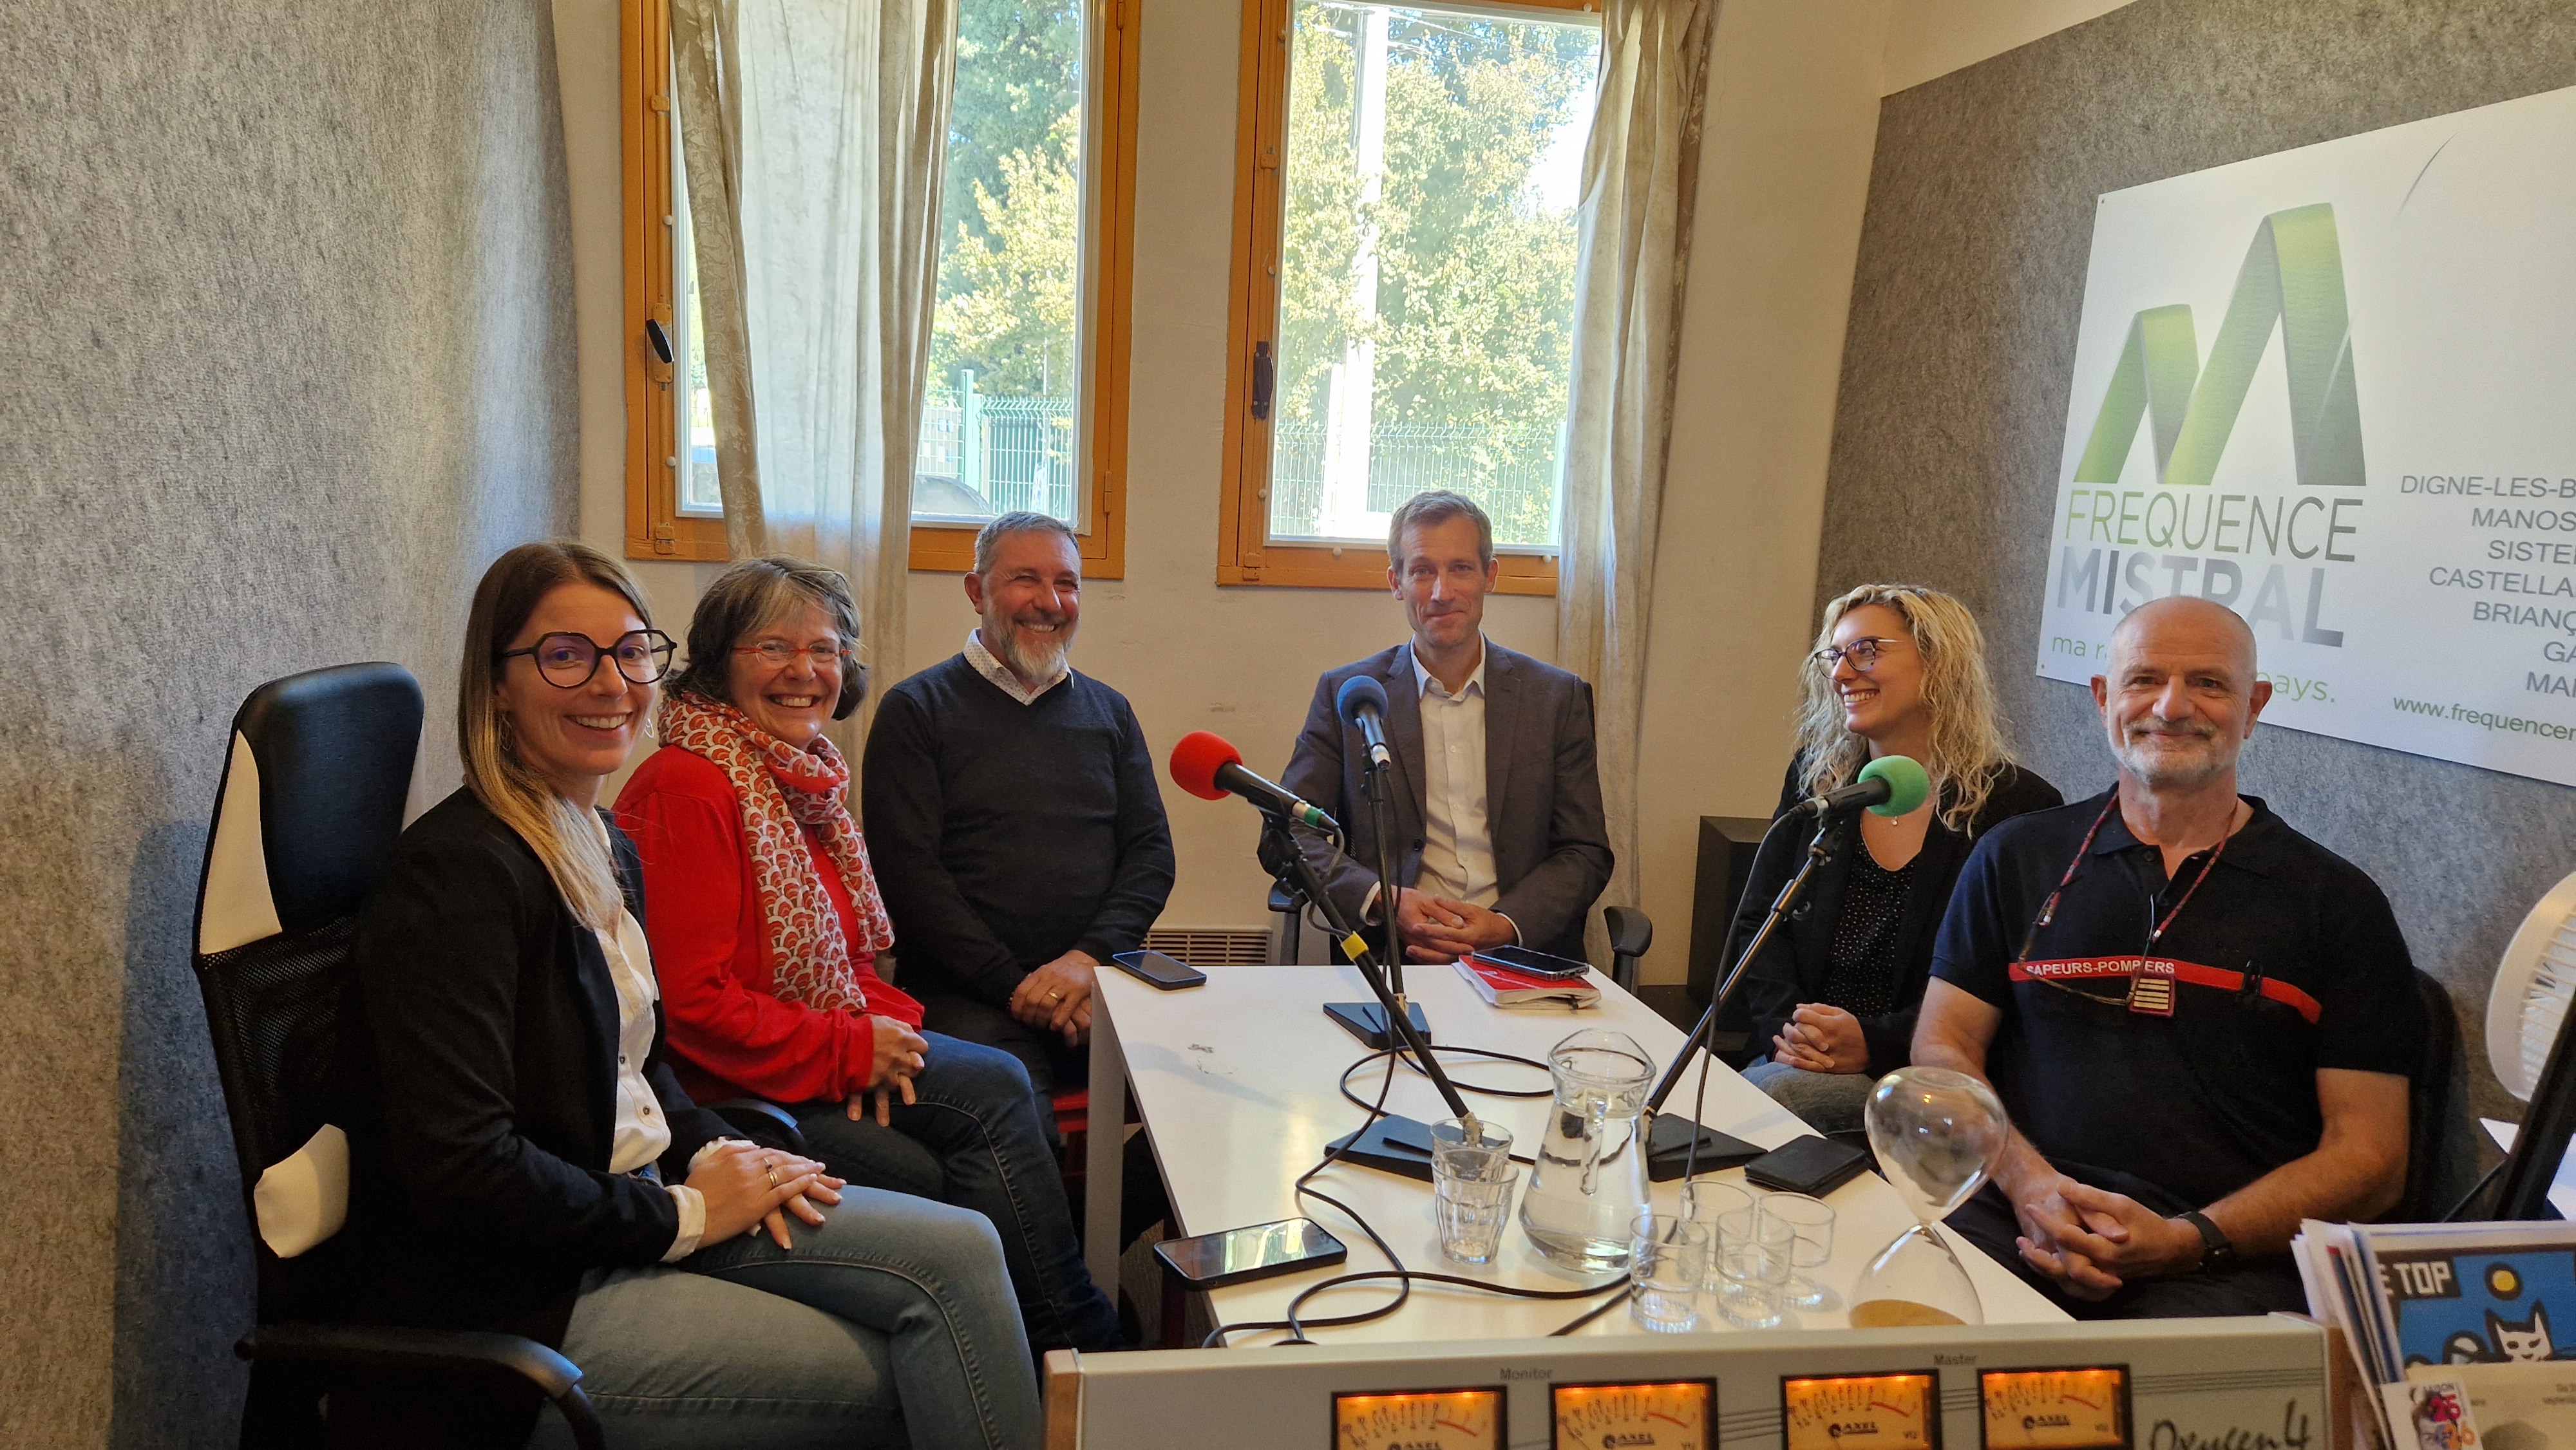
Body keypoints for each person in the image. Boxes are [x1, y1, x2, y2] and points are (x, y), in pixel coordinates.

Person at [331, 541, 1040, 1448]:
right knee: (910, 1357)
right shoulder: (460, 875)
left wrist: (728, 1150)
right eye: (564, 655)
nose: (609, 684)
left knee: (965, 1251)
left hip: (638, 1202)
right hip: (527, 1292)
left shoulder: (597, 838)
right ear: (497, 683)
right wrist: (687, 1213)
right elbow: (466, 1171)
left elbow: (640, 1070)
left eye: (630, 653)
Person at [616, 556, 1122, 1355]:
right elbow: (690, 1010)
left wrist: (888, 1039)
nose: (804, 671)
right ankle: (1076, 1342)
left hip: (814, 1046)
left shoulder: (797, 774)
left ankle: (1025, 1343)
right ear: (718, 660)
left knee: (995, 1088)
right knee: (989, 1093)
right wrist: (854, 1050)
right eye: (772, 647)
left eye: (824, 650)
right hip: (735, 1088)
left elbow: (849, 958)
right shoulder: (688, 785)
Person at [1914, 595, 2421, 1319]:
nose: (2172, 705)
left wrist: (2189, 1238)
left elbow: (2372, 1159)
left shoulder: (2335, 902)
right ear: (2103, 698)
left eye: (2209, 684)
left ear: (2254, 706)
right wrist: (2029, 1185)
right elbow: (1943, 1045)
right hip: (2012, 1217)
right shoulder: (2015, 856)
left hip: (2224, 1260)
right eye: (2144, 678)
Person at [862, 512, 1176, 1120]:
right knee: (1017, 1112)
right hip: (966, 995)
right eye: (1026, 579)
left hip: (1097, 981)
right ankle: (1059, 1218)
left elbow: (1151, 854)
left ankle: (1101, 1217)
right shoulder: (916, 710)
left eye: (1068, 583)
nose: (1050, 602)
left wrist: (1086, 962)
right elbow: (910, 880)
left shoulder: (1110, 713)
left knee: (1215, 1087)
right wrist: (1016, 988)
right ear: (976, 592)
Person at [1731, 585, 2060, 1134]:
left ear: (1938, 663)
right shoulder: (1820, 779)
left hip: (1926, 1079)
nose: (1841, 674)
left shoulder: (2019, 808)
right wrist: (1792, 1033)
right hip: (1794, 1060)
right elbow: (1761, 922)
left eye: (1866, 651)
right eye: (1834, 656)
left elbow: (2007, 986)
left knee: (1761, 1110)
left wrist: (1877, 1042)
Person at [1278, 490, 1611, 966]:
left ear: (1489, 576)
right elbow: (1288, 831)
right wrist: (1383, 900)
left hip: (1519, 956)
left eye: (1460, 568)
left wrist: (1503, 924)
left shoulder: (1556, 699)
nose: (1441, 593)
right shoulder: (1349, 695)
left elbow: (1585, 850)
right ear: (1396, 582)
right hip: (1395, 955)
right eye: (1422, 571)